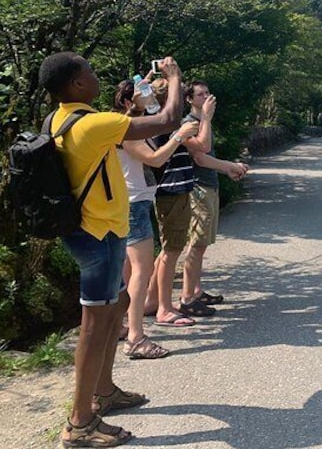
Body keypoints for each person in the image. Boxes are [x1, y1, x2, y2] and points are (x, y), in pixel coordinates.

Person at [38, 52, 184, 447]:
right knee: (95, 323)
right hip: (98, 233)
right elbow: (168, 120)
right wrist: (174, 79)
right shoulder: (95, 124)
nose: (95, 75)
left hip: (96, 229)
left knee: (116, 304)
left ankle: (104, 392)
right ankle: (80, 423)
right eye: (89, 72)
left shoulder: (61, 119)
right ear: (75, 84)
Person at [112, 80, 199, 359]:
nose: (152, 105)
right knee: (141, 271)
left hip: (129, 202)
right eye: (146, 99)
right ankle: (136, 337)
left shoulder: (125, 125)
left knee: (125, 271)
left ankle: (120, 325)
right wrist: (179, 135)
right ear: (129, 102)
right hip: (133, 204)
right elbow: (155, 159)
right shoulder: (126, 131)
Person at [144, 79, 214, 326]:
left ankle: (153, 302)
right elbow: (203, 147)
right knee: (171, 251)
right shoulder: (169, 125)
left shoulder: (166, 123)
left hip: (175, 189)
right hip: (171, 191)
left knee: (169, 250)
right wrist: (205, 117)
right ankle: (164, 308)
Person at [179, 80, 248, 316]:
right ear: (189, 99)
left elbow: (207, 157)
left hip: (210, 185)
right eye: (200, 94)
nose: (207, 97)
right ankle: (187, 297)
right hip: (198, 188)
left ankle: (196, 291)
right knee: (196, 244)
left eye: (208, 92)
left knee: (203, 244)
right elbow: (201, 156)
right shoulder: (189, 123)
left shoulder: (202, 122)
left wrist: (226, 170)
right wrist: (229, 165)